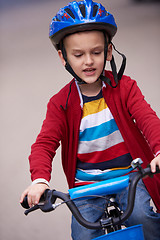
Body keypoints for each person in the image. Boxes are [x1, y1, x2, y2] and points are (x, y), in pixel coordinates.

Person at [20, 0, 160, 239]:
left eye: (96, 52)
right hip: (87, 187)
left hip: (129, 177)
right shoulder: (61, 103)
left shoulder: (125, 88)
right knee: (83, 233)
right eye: (78, 54)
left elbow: (148, 119)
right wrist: (40, 180)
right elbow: (44, 144)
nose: (88, 61)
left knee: (145, 219)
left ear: (108, 52)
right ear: (63, 57)